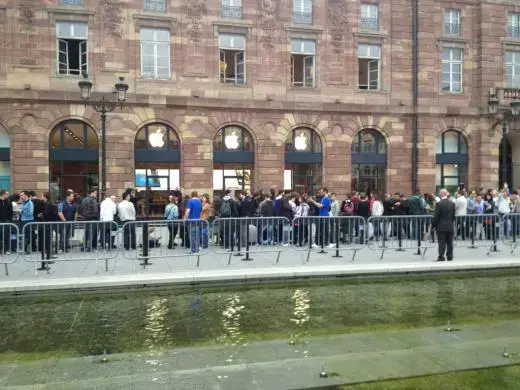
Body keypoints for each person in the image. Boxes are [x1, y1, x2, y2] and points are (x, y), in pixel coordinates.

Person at [432, 188, 456, 262]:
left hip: (441, 226)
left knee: (441, 242)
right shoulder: (452, 203)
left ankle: (441, 257)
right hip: (450, 225)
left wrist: (433, 225)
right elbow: (453, 216)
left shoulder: (439, 204)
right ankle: (450, 256)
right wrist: (451, 223)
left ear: (441, 194)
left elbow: (436, 216)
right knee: (450, 242)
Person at [38, 192, 58, 270]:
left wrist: (41, 215)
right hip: (49, 226)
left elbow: (46, 214)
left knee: (46, 242)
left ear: (45, 197)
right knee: (48, 242)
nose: (41, 197)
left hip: (46, 226)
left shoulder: (47, 204)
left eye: (42, 196)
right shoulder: (50, 203)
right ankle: (49, 258)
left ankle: (47, 260)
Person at [0, 189, 13, 255]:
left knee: (6, 236)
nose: (8, 195)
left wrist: (9, 220)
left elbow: (11, 212)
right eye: (7, 194)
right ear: (3, 194)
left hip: (6, 221)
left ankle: (6, 249)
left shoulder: (8, 202)